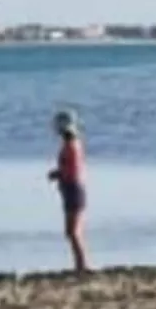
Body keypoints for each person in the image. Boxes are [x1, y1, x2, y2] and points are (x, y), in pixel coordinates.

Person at [46, 109, 92, 273]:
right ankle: (80, 265)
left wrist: (57, 174)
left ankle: (82, 266)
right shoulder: (70, 143)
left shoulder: (72, 145)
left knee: (73, 232)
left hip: (73, 189)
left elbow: (72, 170)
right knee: (71, 232)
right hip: (70, 189)